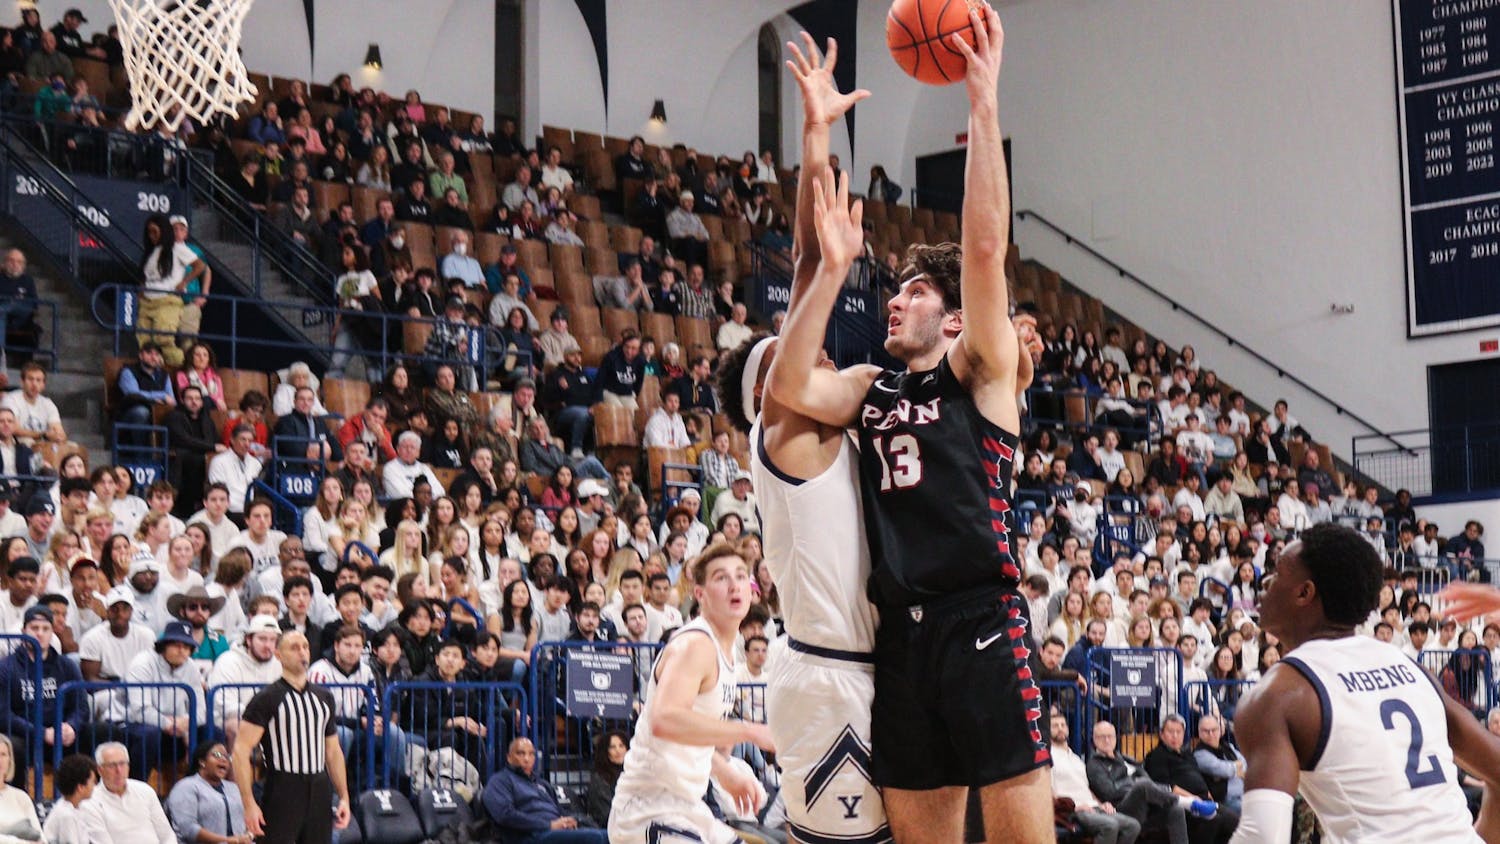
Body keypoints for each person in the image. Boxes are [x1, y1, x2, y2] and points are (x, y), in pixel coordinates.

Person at [767, 8, 1050, 839]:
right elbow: (788, 376)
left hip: (983, 620)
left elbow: (986, 249)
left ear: (957, 319)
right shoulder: (869, 388)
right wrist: (815, 137)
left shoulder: (982, 374)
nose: (896, 299)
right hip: (902, 639)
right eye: (893, 292)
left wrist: (981, 103)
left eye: (918, 293)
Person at [1228, 524, 1500, 843]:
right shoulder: (1409, 668)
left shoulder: (1276, 695)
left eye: (1277, 573)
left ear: (1304, 592)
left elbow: (1261, 836)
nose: (1265, 584)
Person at [608, 544, 775, 843]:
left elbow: (686, 732)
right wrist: (747, 730)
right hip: (648, 809)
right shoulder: (696, 645)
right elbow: (665, 720)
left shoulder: (727, 652)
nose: (734, 584)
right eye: (721, 578)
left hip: (687, 806)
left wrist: (724, 771)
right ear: (700, 594)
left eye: (740, 576)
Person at [232, 631, 352, 841]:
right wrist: (249, 803)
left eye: (305, 646)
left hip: (320, 787)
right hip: (283, 786)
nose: (302, 652)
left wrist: (344, 796)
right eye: (294, 647)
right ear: (278, 654)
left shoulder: (324, 697)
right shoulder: (266, 698)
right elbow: (241, 751)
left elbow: (333, 752)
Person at [481, 737, 606, 841]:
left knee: (610, 835)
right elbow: (505, 815)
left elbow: (558, 810)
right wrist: (548, 825)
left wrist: (570, 820)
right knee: (595, 838)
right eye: (520, 753)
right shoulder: (500, 781)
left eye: (531, 754)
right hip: (529, 835)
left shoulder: (542, 784)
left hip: (554, 831)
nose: (526, 759)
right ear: (509, 757)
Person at [1049, 711, 1140, 844]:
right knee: (1110, 826)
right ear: (1048, 730)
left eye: (1063, 725)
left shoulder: (1075, 758)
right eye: (1055, 726)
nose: (1061, 728)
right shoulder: (1048, 758)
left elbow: (1085, 787)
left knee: (1132, 826)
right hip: (1074, 810)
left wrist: (1100, 804)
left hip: (1093, 806)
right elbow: (1048, 792)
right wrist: (1072, 808)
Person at [82, 742, 175, 843]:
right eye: (112, 765)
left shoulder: (145, 791)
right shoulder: (89, 801)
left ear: (128, 766)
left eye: (122, 763)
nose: (118, 770)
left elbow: (167, 835)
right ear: (100, 770)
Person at [165, 741, 250, 844]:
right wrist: (228, 841)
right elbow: (188, 829)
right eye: (217, 755)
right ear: (202, 762)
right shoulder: (186, 787)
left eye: (227, 757)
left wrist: (248, 836)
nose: (223, 759)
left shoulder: (233, 788)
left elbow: (246, 821)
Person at [42, 753, 106, 843]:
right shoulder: (67, 816)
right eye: (92, 782)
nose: (94, 786)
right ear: (80, 787)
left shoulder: (75, 808)